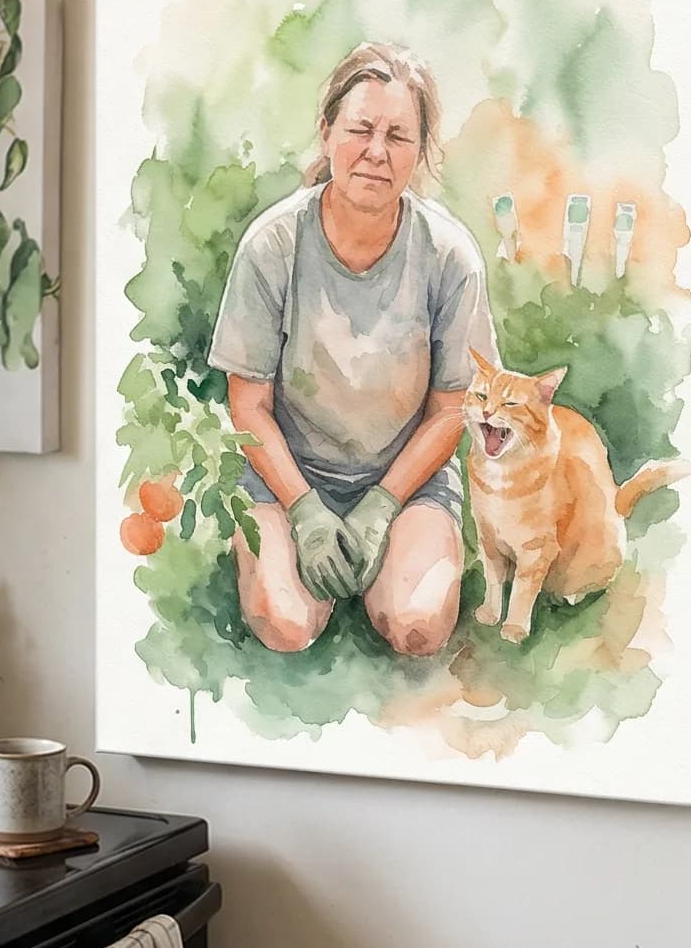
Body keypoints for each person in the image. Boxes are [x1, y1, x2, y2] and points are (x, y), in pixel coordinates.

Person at [208, 42, 495, 658]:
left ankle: (393, 561)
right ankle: (294, 556)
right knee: (286, 627)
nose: (376, 152)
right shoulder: (273, 245)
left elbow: (451, 410)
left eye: (398, 136)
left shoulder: (450, 255)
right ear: (328, 131)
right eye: (360, 128)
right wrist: (306, 512)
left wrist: (382, 507)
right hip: (285, 477)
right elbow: (249, 407)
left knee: (418, 627)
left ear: (420, 152)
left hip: (406, 481)